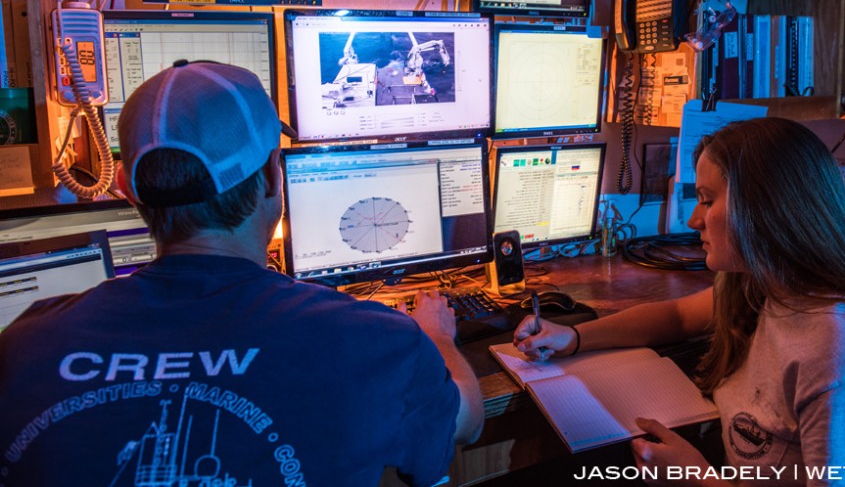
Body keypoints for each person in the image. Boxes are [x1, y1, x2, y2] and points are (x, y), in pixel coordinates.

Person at [0, 61, 483, 487]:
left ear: (127, 189)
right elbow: (469, 420)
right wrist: (437, 338)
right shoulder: (374, 341)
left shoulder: (23, 347)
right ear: (276, 176)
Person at [514, 117, 845, 485]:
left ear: (767, 208)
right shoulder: (768, 286)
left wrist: (695, 477)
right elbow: (680, 315)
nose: (694, 219)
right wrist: (572, 337)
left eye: (708, 199)